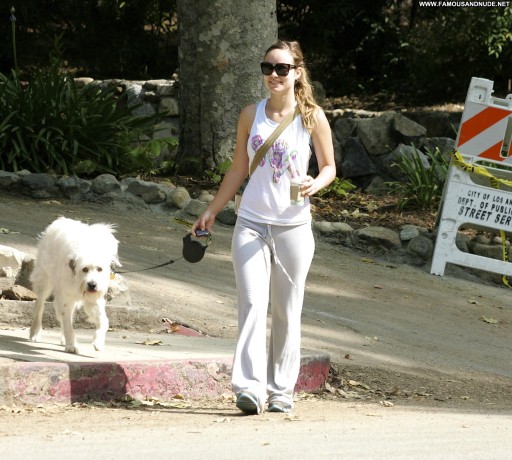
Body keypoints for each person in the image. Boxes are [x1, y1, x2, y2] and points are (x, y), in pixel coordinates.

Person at [192, 40, 336, 414]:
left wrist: (315, 183)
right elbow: (238, 168)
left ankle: (281, 390)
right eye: (267, 67)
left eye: (282, 68)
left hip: (293, 227)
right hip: (251, 223)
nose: (273, 74)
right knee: (253, 304)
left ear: (297, 73)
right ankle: (249, 388)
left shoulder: (312, 117)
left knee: (287, 310)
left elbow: (329, 167)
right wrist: (211, 210)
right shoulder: (249, 115)